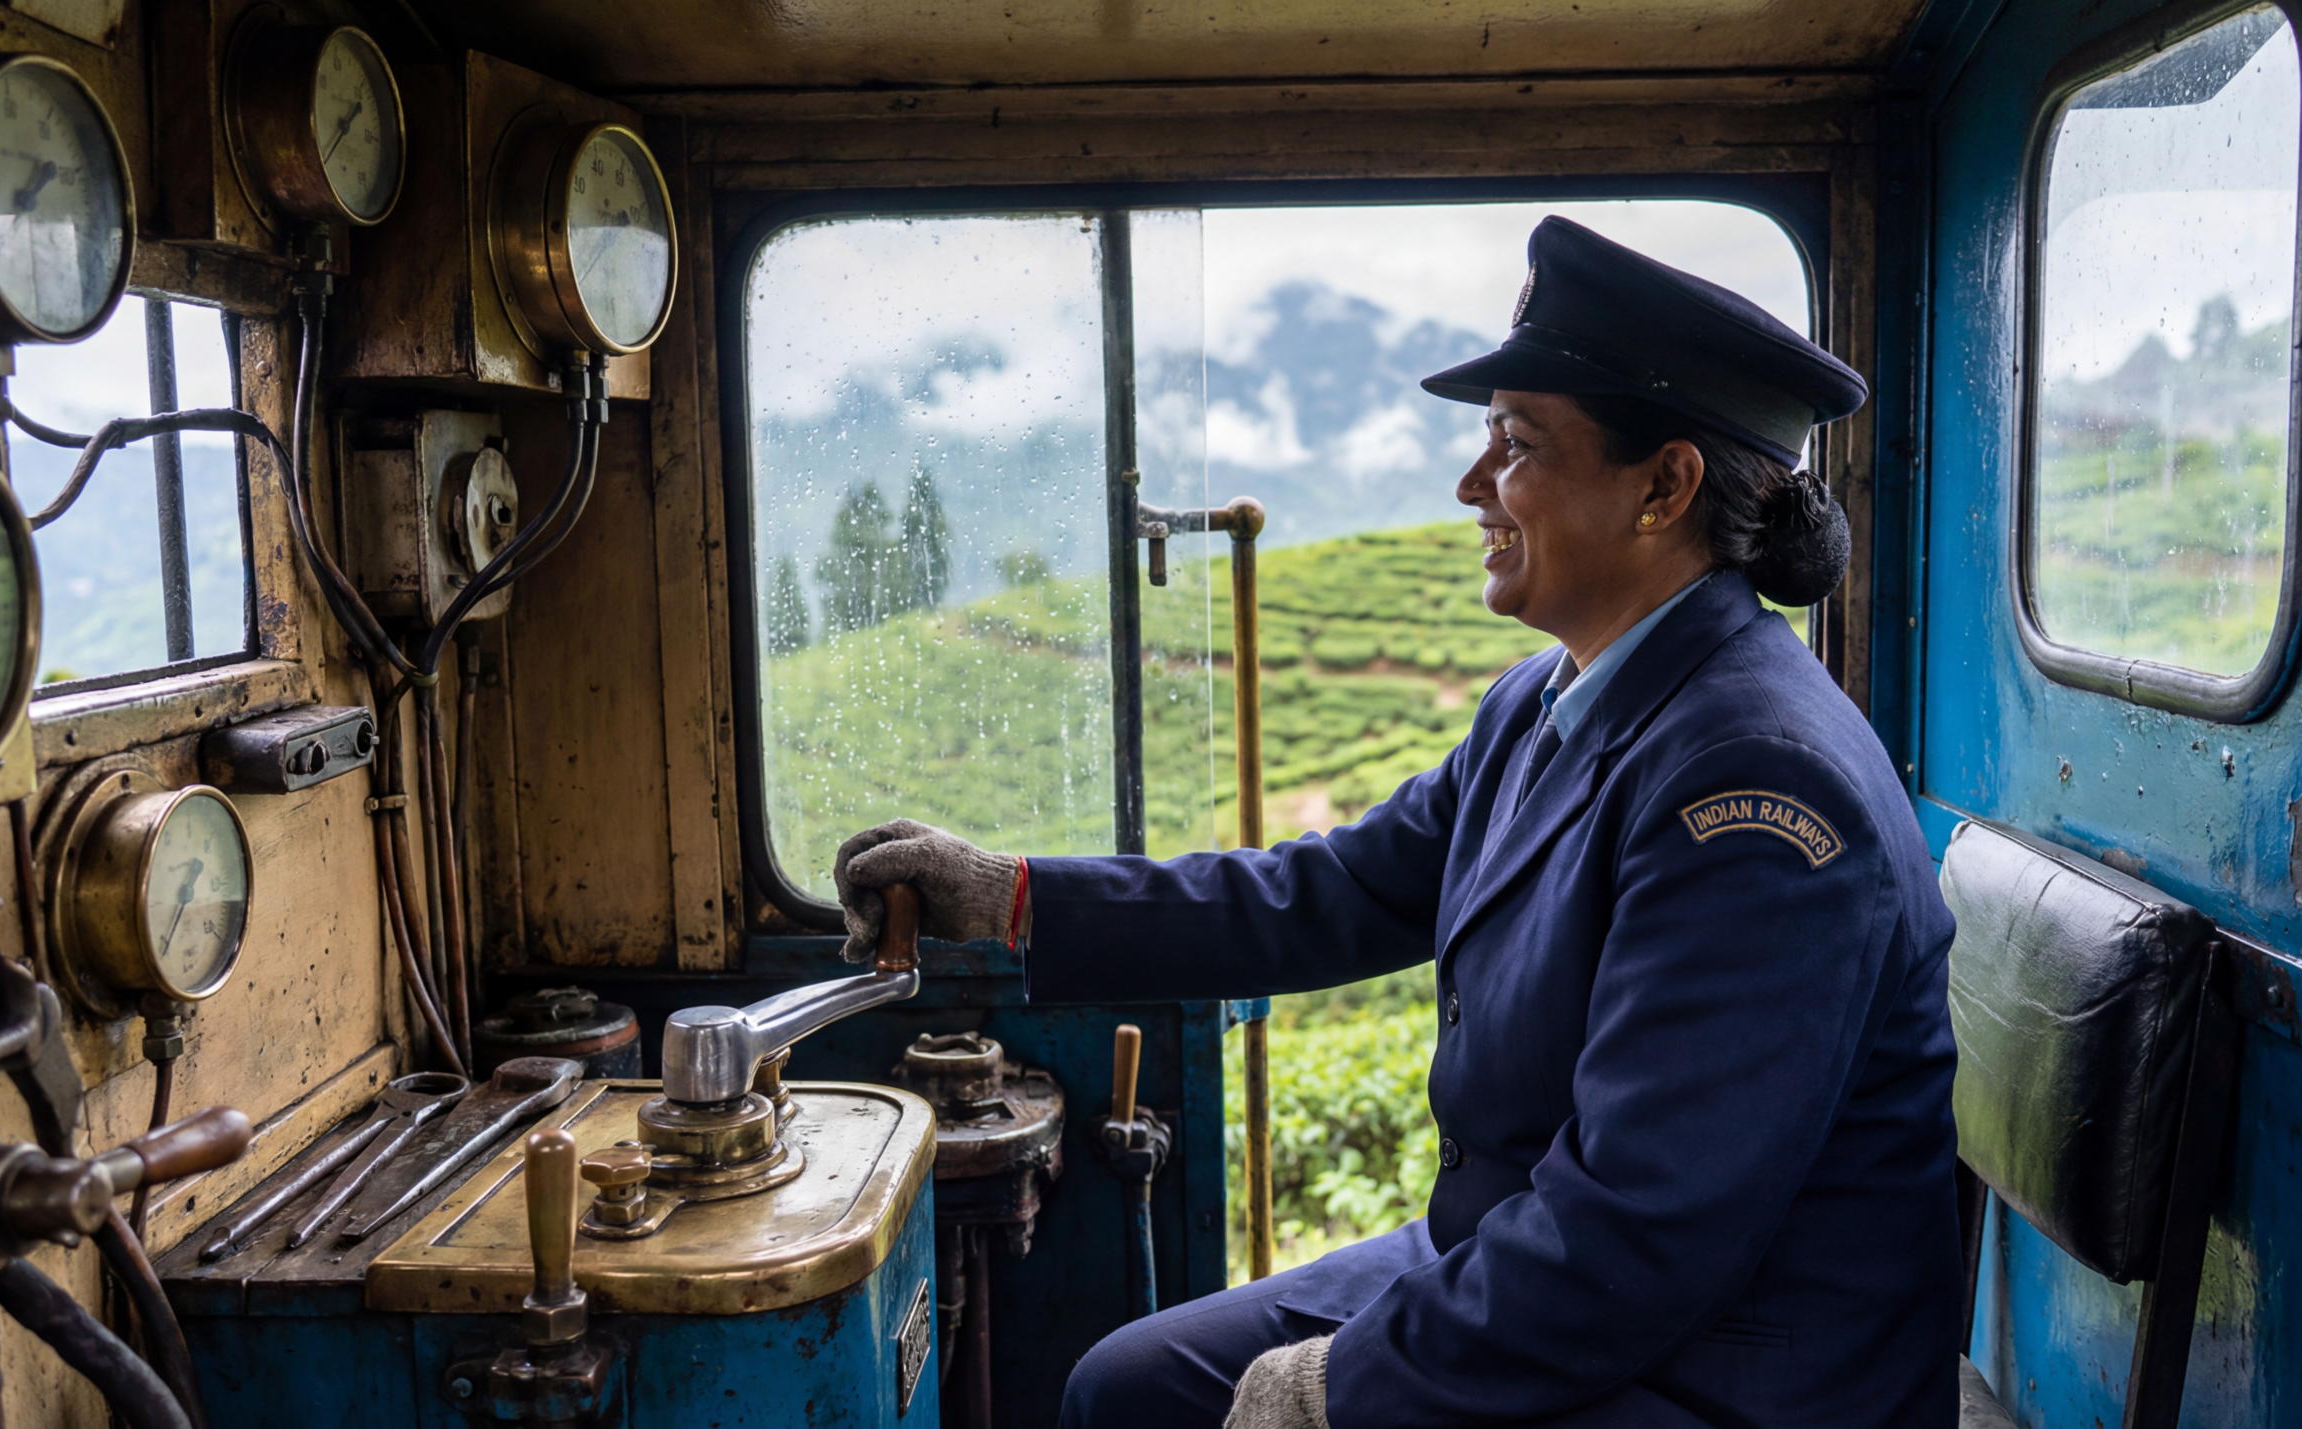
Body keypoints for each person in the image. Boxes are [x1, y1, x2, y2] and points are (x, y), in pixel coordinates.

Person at [834, 216, 1960, 1429]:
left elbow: (1642, 1228)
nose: (1473, 484)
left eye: (1516, 445)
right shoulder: (1545, 701)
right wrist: (1013, 898)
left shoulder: (1756, 796)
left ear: (1665, 485)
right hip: (1550, 1273)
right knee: (1130, 1389)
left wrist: (1346, 1386)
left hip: (1721, 1369)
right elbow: (1334, 892)